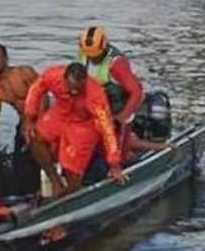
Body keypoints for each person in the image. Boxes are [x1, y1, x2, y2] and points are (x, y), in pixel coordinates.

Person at [24, 63, 126, 197]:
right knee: (34, 136)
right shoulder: (53, 75)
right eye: (70, 88)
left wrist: (114, 163)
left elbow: (107, 128)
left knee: (72, 169)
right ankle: (55, 181)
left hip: (84, 123)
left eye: (78, 89)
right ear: (64, 79)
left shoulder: (95, 96)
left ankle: (69, 194)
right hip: (61, 112)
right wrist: (29, 117)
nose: (73, 92)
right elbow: (36, 89)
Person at [77, 27, 168, 161]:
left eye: (95, 56)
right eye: (89, 55)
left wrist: (122, 117)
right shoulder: (84, 55)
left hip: (118, 105)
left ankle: (153, 147)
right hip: (98, 106)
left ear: (104, 48)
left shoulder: (116, 64)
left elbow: (136, 92)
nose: (92, 59)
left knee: (120, 152)